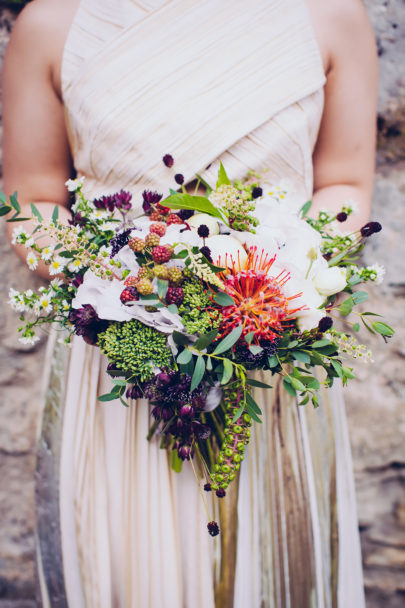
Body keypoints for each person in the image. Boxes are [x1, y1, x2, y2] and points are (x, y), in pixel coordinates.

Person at [2, 0, 377, 606]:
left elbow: (345, 183)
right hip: (123, 358)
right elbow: (35, 196)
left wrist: (275, 282)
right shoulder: (52, 24)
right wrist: (126, 286)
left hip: (265, 351)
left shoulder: (331, 15)